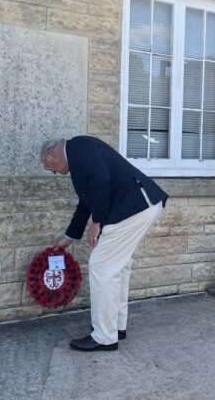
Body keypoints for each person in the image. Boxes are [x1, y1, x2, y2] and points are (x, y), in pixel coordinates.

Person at [41, 136, 168, 351]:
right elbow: (86, 201)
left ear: (52, 154)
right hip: (141, 205)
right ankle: (116, 327)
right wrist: (70, 236)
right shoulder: (78, 155)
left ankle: (104, 336)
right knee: (118, 266)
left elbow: (101, 179)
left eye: (48, 167)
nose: (52, 172)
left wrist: (97, 222)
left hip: (133, 208)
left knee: (101, 266)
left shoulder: (80, 146)